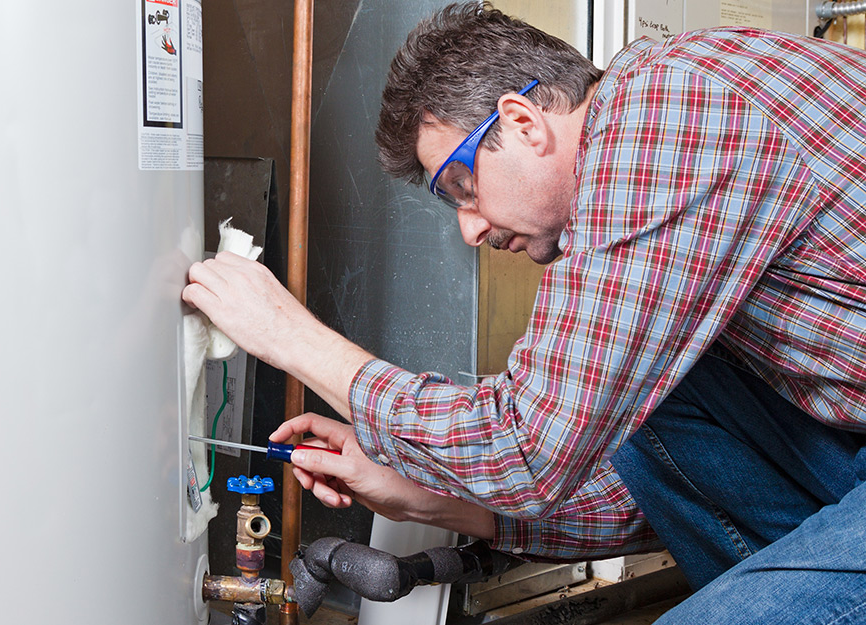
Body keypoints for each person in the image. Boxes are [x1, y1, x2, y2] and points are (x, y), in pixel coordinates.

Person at [183, 3, 866, 622]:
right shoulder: (672, 114)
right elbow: (661, 496)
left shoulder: (669, 110)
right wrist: (433, 499)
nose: (469, 229)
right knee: (626, 399)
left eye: (460, 185)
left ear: (520, 121)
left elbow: (527, 448)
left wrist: (294, 338)